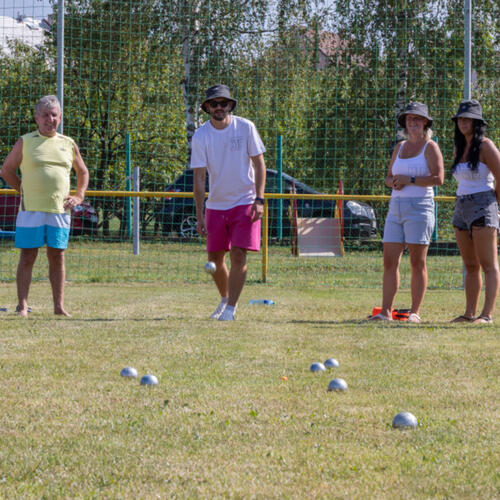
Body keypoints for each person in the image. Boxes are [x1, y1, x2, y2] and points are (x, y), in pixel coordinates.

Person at [0, 95, 89, 317]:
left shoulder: (68, 143)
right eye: (45, 115)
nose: (50, 119)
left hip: (59, 210)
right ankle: (22, 306)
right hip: (31, 210)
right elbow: (6, 170)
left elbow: (83, 172)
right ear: (36, 118)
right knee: (28, 255)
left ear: (60, 117)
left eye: (54, 115)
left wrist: (78, 195)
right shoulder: (26, 141)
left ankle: (59, 307)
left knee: (57, 255)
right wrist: (22, 189)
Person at [191, 84, 266, 321]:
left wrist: (259, 198)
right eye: (214, 104)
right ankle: (225, 299)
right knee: (214, 259)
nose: (219, 108)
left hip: (245, 201)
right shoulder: (201, 135)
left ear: (230, 106)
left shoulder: (245, 127)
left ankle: (232, 309)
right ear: (207, 108)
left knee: (239, 255)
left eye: (224, 103)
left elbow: (259, 164)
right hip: (216, 205)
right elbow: (200, 177)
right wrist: (200, 215)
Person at [369, 102, 444, 323]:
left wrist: (410, 180)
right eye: (410, 119)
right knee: (390, 261)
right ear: (405, 123)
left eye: (418, 119)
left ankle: (414, 312)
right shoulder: (399, 147)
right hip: (396, 207)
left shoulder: (430, 147)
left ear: (425, 123)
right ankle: (385, 312)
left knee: (417, 262)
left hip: (420, 208)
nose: (413, 123)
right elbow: (388, 177)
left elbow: (439, 179)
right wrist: (393, 182)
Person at [449, 100, 500, 324]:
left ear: (477, 122)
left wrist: (495, 206)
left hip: (483, 204)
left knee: (488, 264)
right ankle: (469, 313)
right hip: (461, 206)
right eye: (460, 118)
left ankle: (486, 315)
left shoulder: (486, 145)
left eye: (467, 119)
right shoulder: (459, 148)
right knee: (470, 265)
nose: (463, 122)